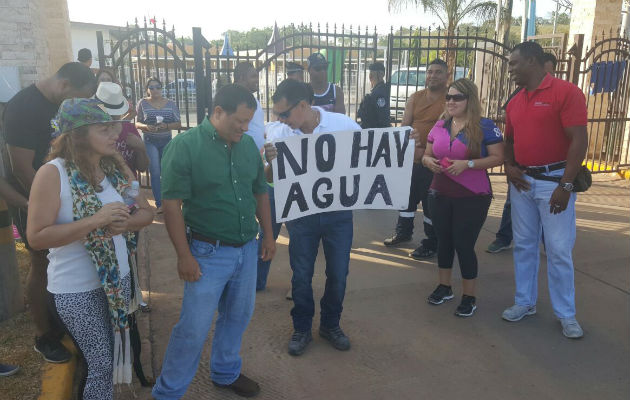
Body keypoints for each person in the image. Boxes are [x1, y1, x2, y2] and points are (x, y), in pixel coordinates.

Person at [152, 84, 275, 399]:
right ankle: (167, 394)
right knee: (193, 329)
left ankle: (225, 372)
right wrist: (184, 256)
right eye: (240, 121)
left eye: (250, 122)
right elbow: (171, 205)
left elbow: (260, 190)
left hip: (246, 249)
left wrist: (269, 235)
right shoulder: (185, 147)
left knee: (238, 316)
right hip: (207, 253)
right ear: (218, 112)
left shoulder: (247, 146)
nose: (246, 128)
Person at [26, 98, 154, 398]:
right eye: (104, 129)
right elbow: (36, 237)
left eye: (114, 128)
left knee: (112, 358)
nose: (115, 135)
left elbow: (146, 211)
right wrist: (95, 220)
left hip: (117, 279)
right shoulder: (53, 173)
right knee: (102, 364)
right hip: (75, 288)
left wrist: (128, 225)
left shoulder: (114, 168)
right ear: (78, 134)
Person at [2, 62, 96, 363]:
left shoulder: (57, 102)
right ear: (64, 84)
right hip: (34, 198)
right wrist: (47, 203)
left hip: (63, 194)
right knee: (42, 261)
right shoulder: (23, 107)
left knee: (66, 258)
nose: (76, 104)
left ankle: (61, 320)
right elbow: (20, 167)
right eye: (76, 97)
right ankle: (44, 336)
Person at [263, 79, 359, 356]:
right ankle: (302, 328)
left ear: (303, 106)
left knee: (338, 274)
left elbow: (371, 156)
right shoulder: (278, 133)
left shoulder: (343, 125)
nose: (280, 119)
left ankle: (331, 324)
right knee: (301, 276)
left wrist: (404, 141)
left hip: (338, 215)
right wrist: (271, 163)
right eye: (277, 113)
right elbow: (270, 179)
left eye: (284, 113)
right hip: (300, 215)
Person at [501, 41, 588, 339]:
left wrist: (566, 184)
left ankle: (567, 314)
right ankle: (524, 302)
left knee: (559, 249)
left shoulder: (566, 93)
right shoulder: (515, 101)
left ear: (533, 61)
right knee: (524, 245)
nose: (510, 69)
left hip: (555, 182)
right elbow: (508, 141)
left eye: (514, 63)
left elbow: (579, 140)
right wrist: (509, 167)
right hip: (522, 183)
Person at [422, 79, 504, 317]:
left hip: (472, 195)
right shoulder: (440, 125)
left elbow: (499, 157)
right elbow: (427, 155)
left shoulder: (484, 126)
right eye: (448, 97)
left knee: (463, 244)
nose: (451, 102)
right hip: (439, 193)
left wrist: (468, 164)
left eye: (457, 97)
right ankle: (444, 286)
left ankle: (469, 296)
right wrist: (428, 162)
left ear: (470, 99)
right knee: (444, 241)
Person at [486, 51, 558, 254]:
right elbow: (509, 134)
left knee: (550, 212)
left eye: (551, 72)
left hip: (551, 173)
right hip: (520, 167)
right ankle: (504, 237)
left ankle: (548, 242)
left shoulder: (562, 93)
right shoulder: (519, 95)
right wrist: (509, 165)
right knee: (513, 204)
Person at [383, 59, 448, 260]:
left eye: (438, 72)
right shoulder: (415, 98)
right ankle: (403, 232)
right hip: (412, 160)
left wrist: (428, 151)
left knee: (430, 205)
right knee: (407, 199)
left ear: (447, 75)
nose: (433, 76)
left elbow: (450, 131)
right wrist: (414, 148)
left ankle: (431, 242)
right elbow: (404, 127)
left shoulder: (451, 99)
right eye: (430, 72)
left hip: (436, 162)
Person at [135, 77, 181, 212]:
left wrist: (166, 125)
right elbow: (137, 123)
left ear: (162, 88)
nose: (155, 90)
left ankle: (170, 200)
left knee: (167, 171)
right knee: (155, 171)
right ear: (147, 90)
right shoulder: (142, 103)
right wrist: (147, 127)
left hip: (166, 140)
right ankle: (160, 204)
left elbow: (178, 123)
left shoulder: (170, 104)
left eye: (158, 87)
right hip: (150, 141)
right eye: (151, 87)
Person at [95, 82, 149, 176]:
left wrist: (141, 148)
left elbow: (142, 168)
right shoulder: (93, 132)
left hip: (129, 185)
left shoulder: (129, 129)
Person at [357, 62, 391, 129]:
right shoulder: (376, 90)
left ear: (381, 74)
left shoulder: (381, 92)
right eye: (370, 73)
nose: (370, 75)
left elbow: (382, 117)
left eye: (373, 73)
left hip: (376, 131)